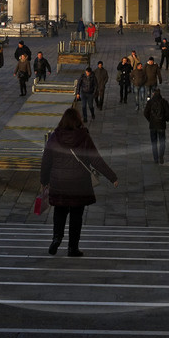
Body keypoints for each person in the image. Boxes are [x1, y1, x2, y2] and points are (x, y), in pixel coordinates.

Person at [40, 106, 117, 257]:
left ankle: (56, 238)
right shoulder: (83, 137)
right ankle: (72, 248)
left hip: (59, 182)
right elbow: (96, 159)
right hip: (78, 184)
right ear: (78, 121)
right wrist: (112, 176)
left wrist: (44, 180)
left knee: (59, 212)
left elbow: (46, 161)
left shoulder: (54, 137)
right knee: (76, 216)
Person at [144, 85, 169, 164]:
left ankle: (155, 158)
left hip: (153, 125)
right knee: (162, 141)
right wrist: (165, 119)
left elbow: (145, 113)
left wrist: (150, 120)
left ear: (153, 94)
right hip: (161, 125)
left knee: (154, 142)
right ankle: (161, 156)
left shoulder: (150, 102)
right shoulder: (164, 102)